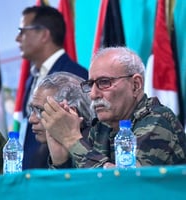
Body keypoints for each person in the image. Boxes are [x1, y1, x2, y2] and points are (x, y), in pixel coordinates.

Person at [41, 47, 186, 168]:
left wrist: (71, 139)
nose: (93, 94)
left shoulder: (158, 120)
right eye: (91, 84)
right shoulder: (101, 127)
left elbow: (126, 187)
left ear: (135, 85)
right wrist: (60, 161)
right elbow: (80, 189)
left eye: (104, 82)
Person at [16, 5, 88, 169]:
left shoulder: (74, 75)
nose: (17, 39)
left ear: (43, 34)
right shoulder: (31, 79)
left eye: (22, 31)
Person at [28, 72, 94, 168]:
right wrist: (60, 163)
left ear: (70, 112)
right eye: (32, 110)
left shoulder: (101, 145)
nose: (31, 119)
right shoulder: (41, 153)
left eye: (40, 110)